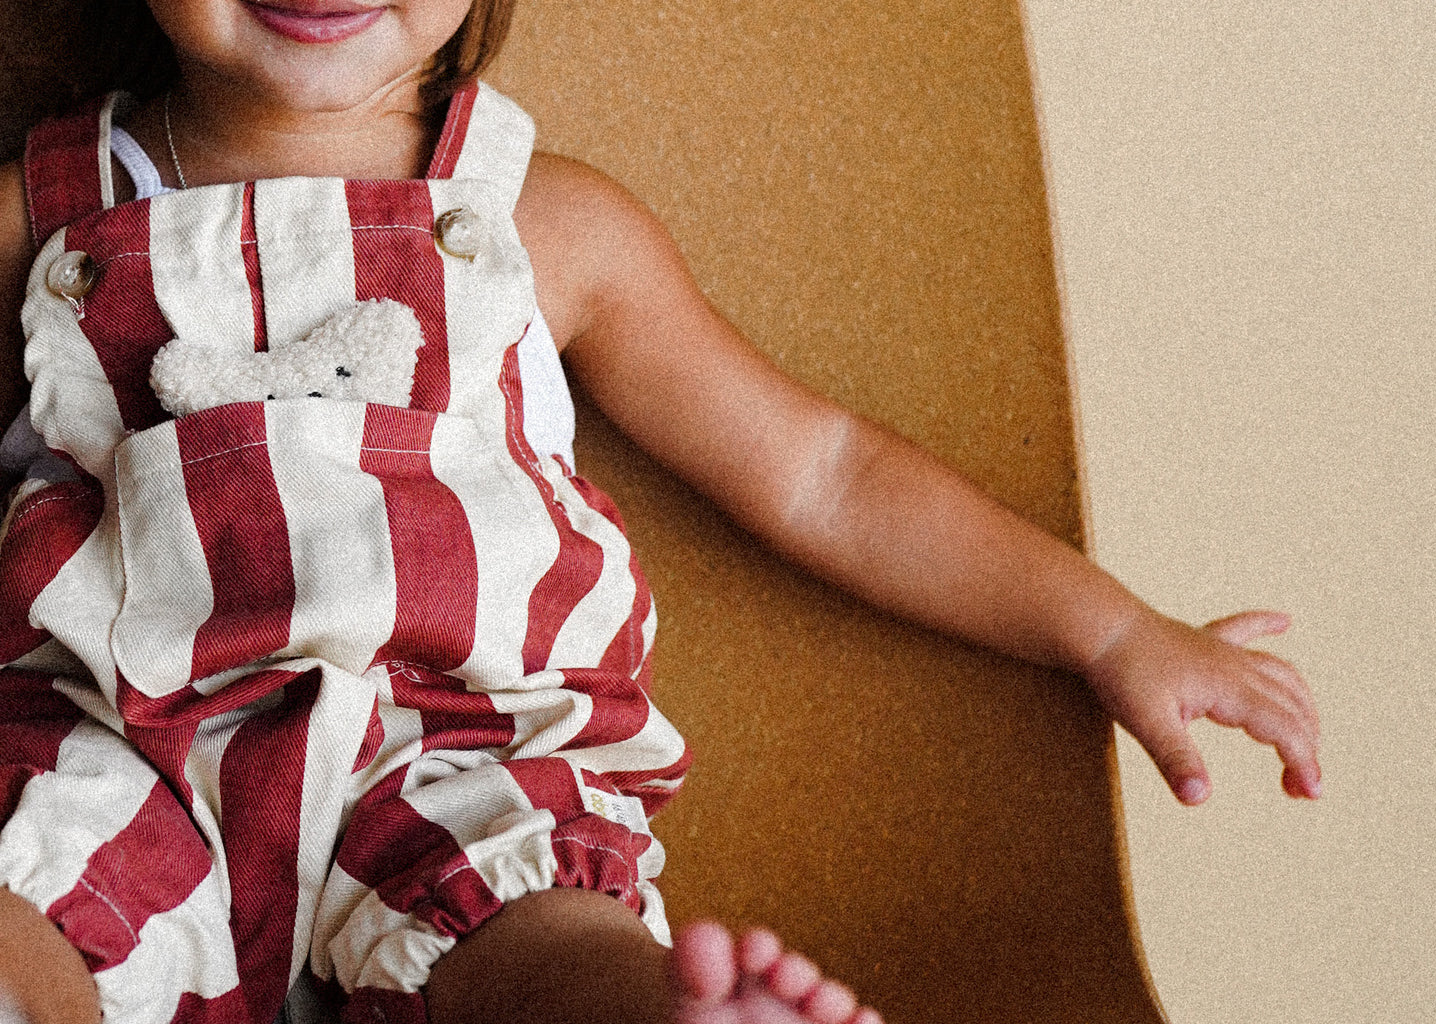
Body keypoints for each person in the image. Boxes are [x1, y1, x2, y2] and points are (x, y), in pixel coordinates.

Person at [0, 1, 1322, 1023]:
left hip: (454, 748)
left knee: (547, 944)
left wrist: (1109, 631)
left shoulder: (550, 225)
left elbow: (821, 473)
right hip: (111, 745)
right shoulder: (31, 219)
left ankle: (667, 1015)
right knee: (27, 915)